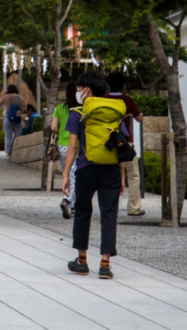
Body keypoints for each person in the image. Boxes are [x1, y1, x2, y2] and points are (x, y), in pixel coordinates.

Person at [62, 71, 126, 279]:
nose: (78, 93)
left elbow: (72, 146)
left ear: (87, 91)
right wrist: (122, 177)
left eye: (79, 89)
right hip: (111, 170)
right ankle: (105, 264)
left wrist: (65, 175)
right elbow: (121, 145)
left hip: (86, 168)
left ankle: (81, 261)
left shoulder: (78, 113)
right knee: (108, 214)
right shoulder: (114, 112)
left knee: (82, 211)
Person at [106, 71, 146, 217]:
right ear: (123, 85)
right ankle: (133, 208)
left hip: (108, 143)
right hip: (125, 142)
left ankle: (110, 207)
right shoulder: (127, 100)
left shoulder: (104, 99)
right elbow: (139, 118)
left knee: (108, 175)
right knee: (134, 175)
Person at [51, 81, 78, 218]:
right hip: (75, 146)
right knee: (74, 175)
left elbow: (53, 127)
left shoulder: (59, 108)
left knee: (66, 174)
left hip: (62, 145)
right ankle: (67, 201)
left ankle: (73, 206)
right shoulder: (80, 109)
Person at [0, 83, 23, 156]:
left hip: (8, 118)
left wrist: (3, 95)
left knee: (8, 137)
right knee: (18, 137)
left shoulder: (6, 97)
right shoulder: (21, 98)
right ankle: (18, 153)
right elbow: (24, 109)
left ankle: (8, 153)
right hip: (18, 119)